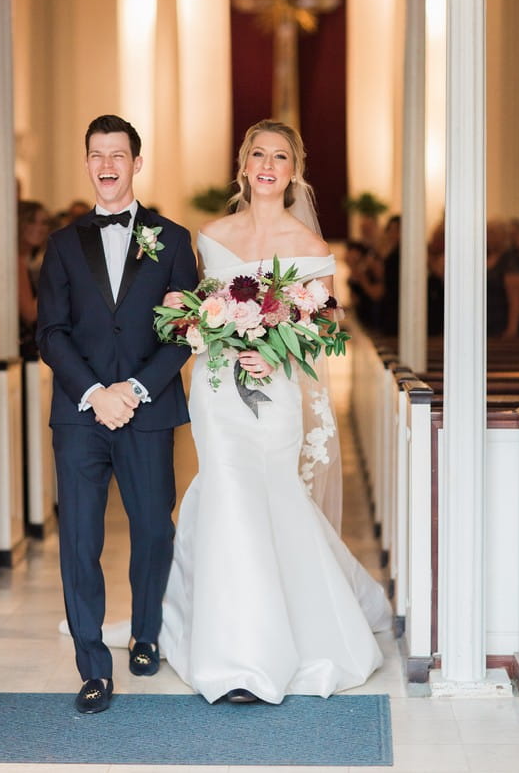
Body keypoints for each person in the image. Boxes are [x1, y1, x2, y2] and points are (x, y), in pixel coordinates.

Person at [150, 120, 390, 704]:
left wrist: (279, 354)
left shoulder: (310, 248)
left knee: (272, 494)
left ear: (293, 170)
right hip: (215, 390)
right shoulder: (209, 236)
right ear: (243, 163)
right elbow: (199, 310)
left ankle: (283, 641)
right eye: (258, 153)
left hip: (276, 392)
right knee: (227, 491)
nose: (267, 165)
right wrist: (199, 320)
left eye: (279, 156)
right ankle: (236, 656)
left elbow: (328, 324)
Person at [36, 114, 198, 714]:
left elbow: (184, 333)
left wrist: (132, 388)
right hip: (81, 415)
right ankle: (93, 667)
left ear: (136, 162)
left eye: (118, 155)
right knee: (80, 540)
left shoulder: (173, 239)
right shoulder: (61, 244)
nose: (107, 165)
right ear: (87, 163)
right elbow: (50, 334)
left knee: (154, 529)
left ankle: (147, 631)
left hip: (147, 409)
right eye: (97, 155)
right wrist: (95, 393)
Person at [17, 200, 49, 358]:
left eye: (44, 223)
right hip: (16, 349)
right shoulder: (15, 260)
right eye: (31, 221)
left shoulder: (28, 260)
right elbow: (29, 313)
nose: (39, 228)